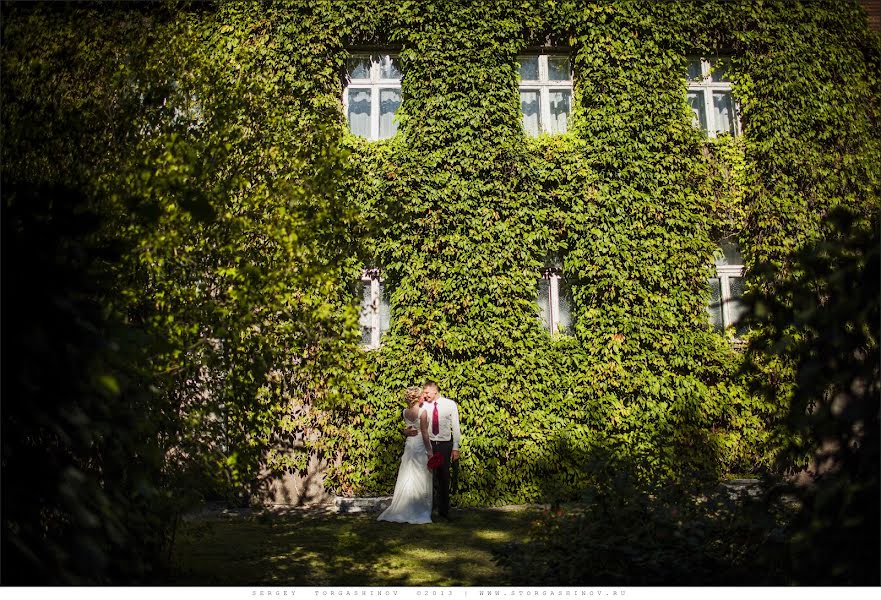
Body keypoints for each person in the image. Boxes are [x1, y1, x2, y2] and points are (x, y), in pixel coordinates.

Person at [377, 387, 434, 524]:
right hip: (420, 445)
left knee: (408, 474)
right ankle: (419, 509)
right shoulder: (422, 412)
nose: (423, 397)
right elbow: (425, 434)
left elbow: (407, 429)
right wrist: (430, 451)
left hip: (409, 445)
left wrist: (406, 432)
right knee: (421, 475)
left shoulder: (405, 412)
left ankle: (403, 507)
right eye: (421, 395)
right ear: (417, 398)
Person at [405, 380, 461, 520]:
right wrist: (406, 431)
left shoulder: (450, 404)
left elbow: (456, 426)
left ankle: (444, 511)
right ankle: (427, 511)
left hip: (444, 445)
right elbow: (412, 420)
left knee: (443, 477)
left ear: (435, 391)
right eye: (423, 393)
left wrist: (455, 447)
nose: (425, 395)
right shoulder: (422, 406)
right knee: (427, 479)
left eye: (427, 392)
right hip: (427, 444)